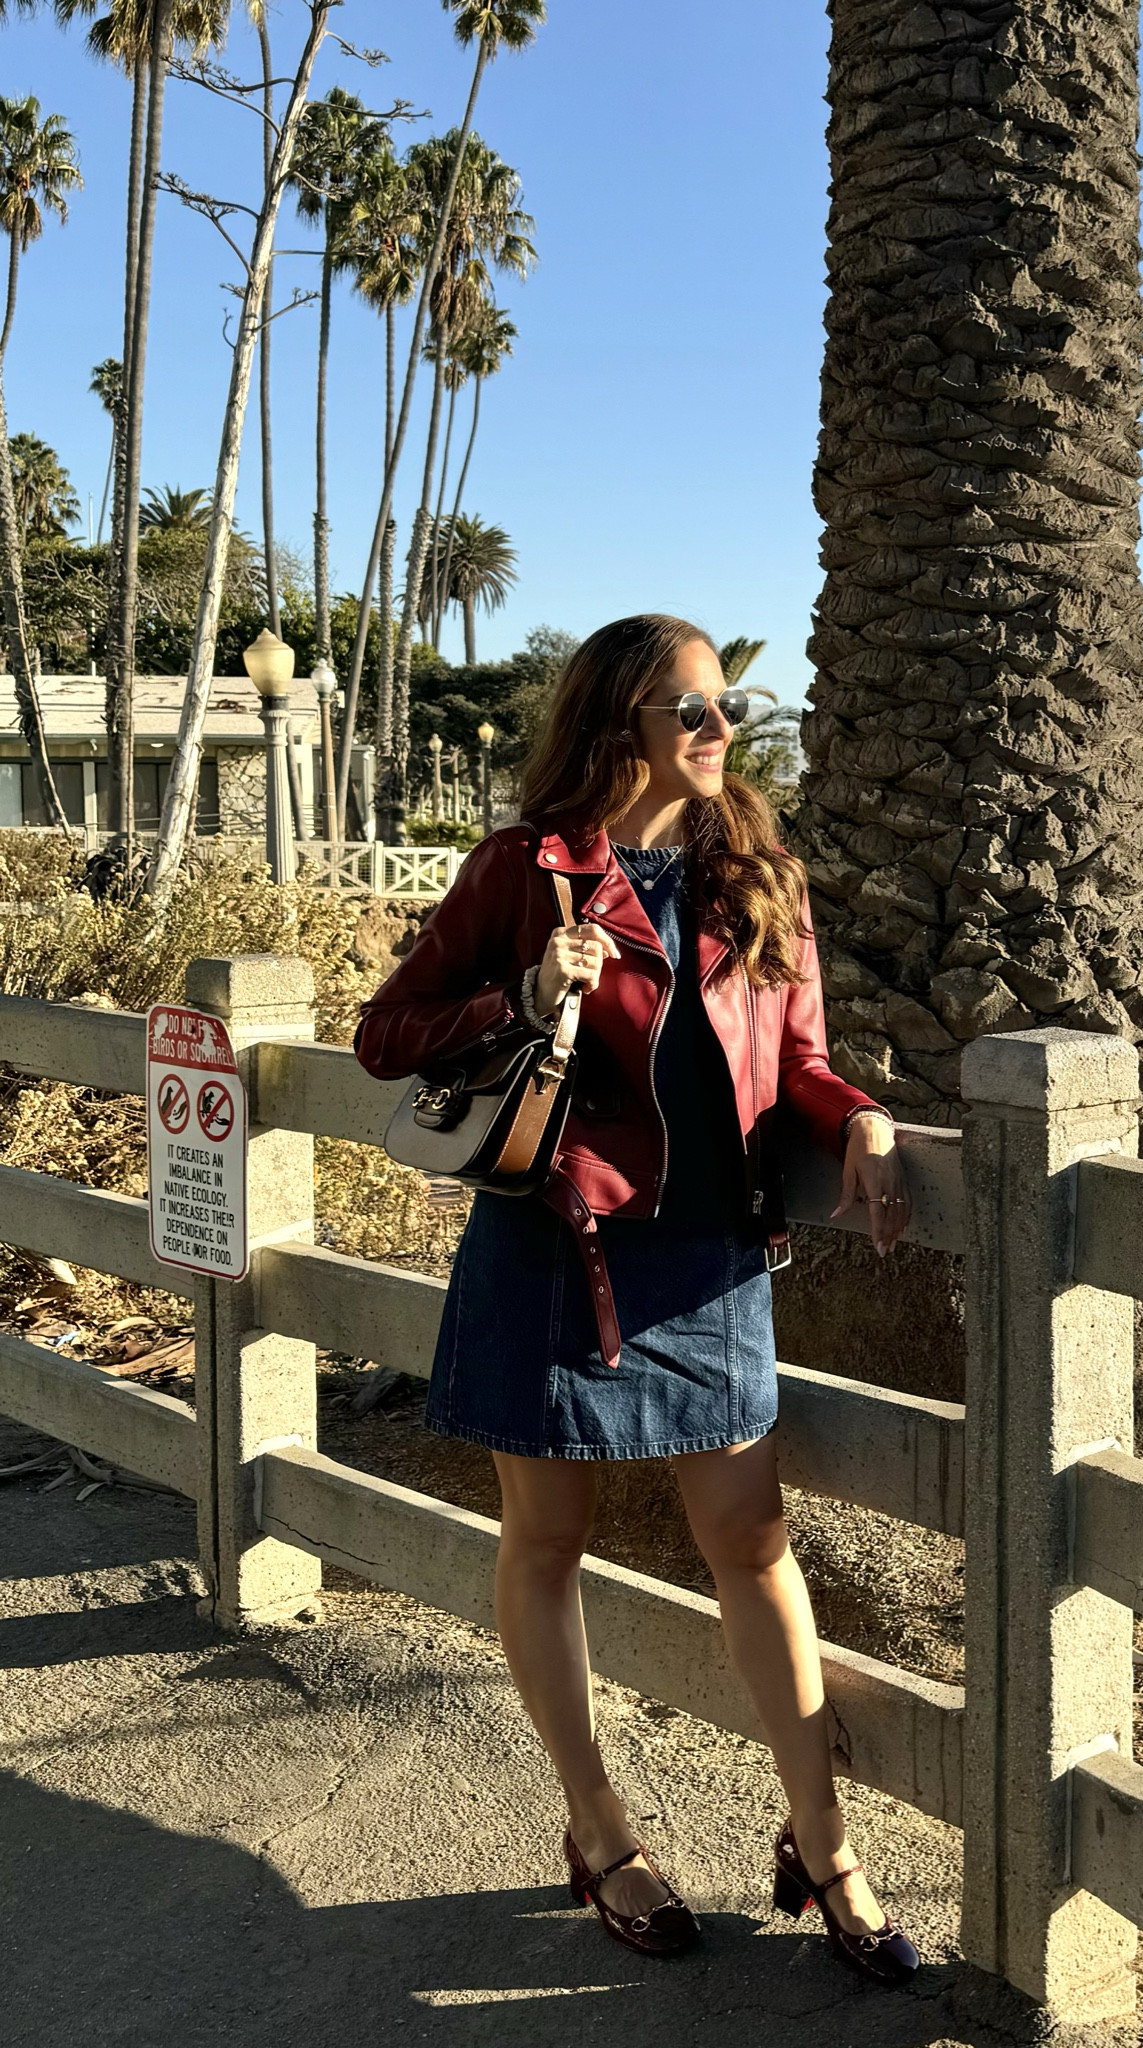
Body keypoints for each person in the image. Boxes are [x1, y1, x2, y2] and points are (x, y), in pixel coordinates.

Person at [356, 614, 917, 1983]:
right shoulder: (525, 870)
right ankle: (599, 1828)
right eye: (694, 708)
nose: (723, 731)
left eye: (730, 706)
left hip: (707, 1260)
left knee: (753, 1545)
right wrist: (520, 994)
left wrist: (859, 1118)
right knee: (541, 1543)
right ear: (622, 724)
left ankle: (821, 1838)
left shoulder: (756, 877)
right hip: (553, 1250)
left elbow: (798, 1058)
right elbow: (387, 1033)